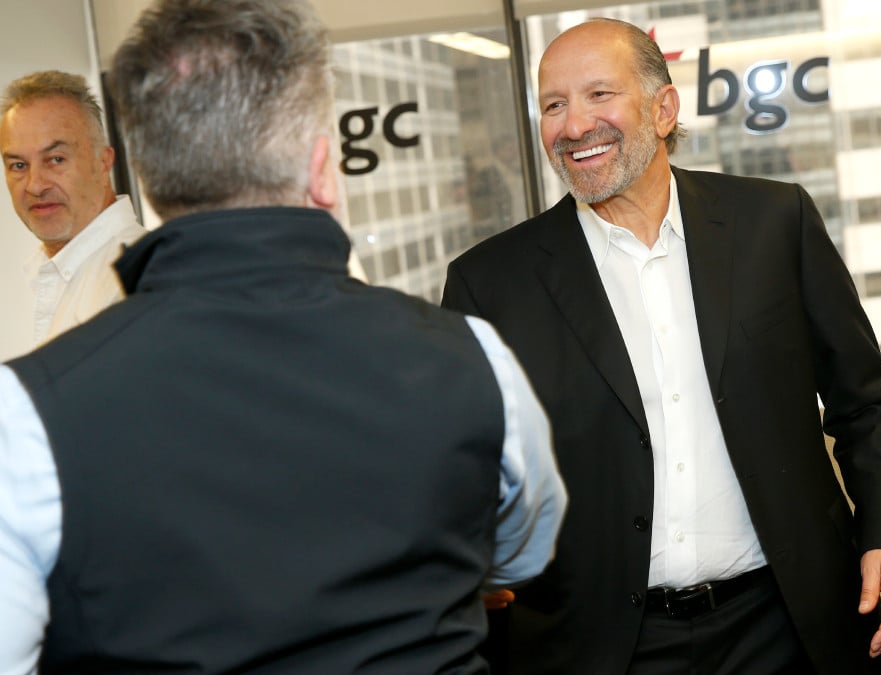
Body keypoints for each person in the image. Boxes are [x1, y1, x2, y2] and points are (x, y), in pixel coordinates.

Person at [0, 0, 565, 673]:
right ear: (323, 170)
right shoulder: (474, 357)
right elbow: (523, 550)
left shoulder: (29, 412)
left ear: (144, 176)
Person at [442, 17, 881, 675]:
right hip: (602, 644)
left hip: (787, 622)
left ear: (663, 108)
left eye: (599, 95)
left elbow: (870, 405)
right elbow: (465, 462)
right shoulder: (490, 282)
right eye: (554, 104)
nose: (574, 125)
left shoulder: (774, 224)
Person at [1, 70, 145, 346]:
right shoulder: (43, 277)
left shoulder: (135, 283)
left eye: (55, 159)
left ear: (102, 163)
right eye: (18, 165)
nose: (35, 185)